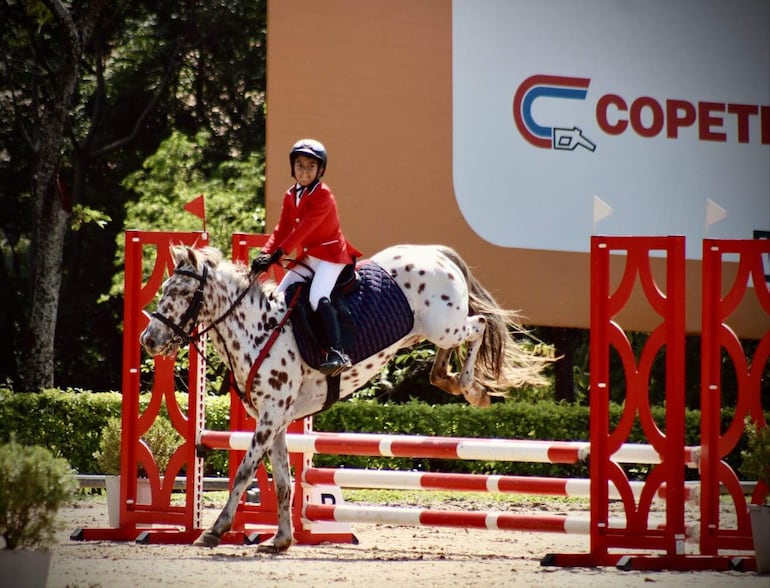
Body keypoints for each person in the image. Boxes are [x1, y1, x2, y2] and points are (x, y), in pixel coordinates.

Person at [251, 138, 362, 376]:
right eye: (300, 164)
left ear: (320, 170)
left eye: (311, 166)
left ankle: (336, 351)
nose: (304, 170)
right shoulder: (291, 195)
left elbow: (304, 230)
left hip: (332, 255)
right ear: (293, 167)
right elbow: (282, 230)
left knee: (317, 296)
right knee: (280, 293)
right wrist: (264, 254)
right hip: (311, 256)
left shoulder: (323, 195)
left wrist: (278, 254)